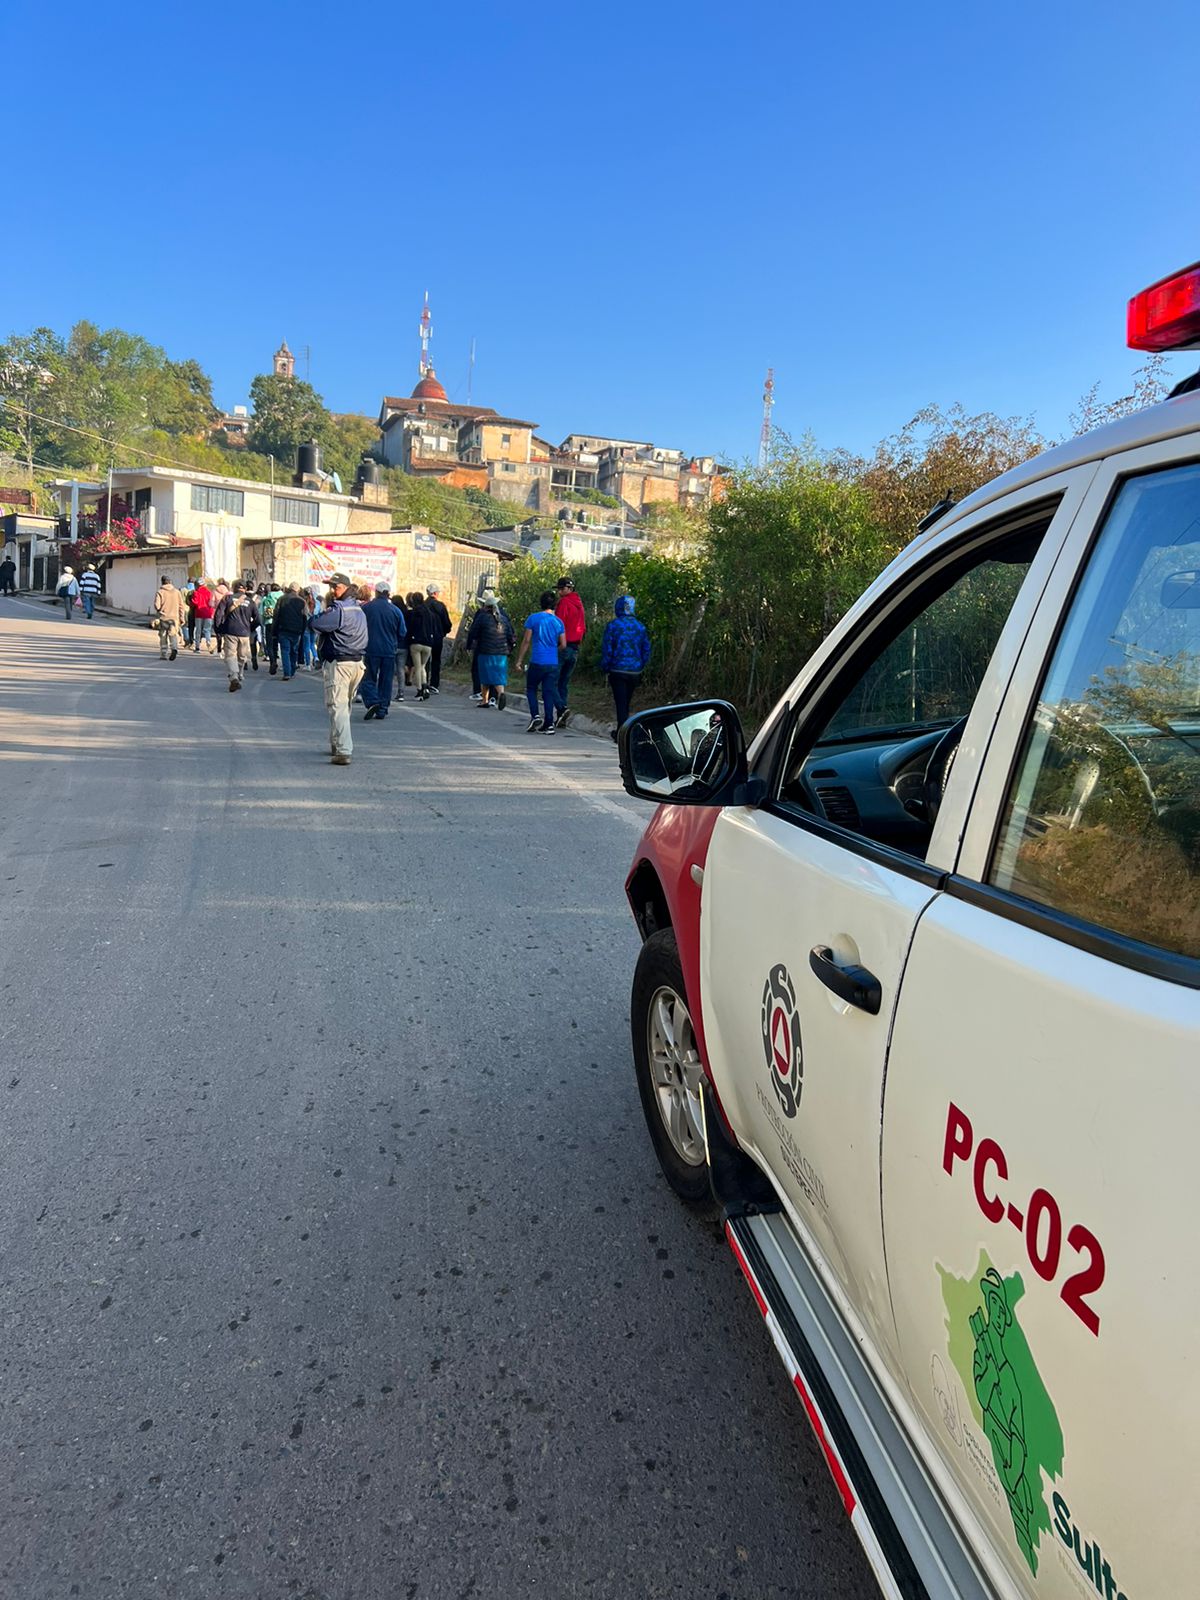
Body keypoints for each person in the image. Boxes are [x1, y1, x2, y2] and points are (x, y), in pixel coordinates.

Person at [311, 573, 368, 764]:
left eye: (336, 587)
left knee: (338, 706)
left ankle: (343, 750)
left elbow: (316, 623)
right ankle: (336, 742)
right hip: (357, 662)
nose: (332, 591)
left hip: (340, 662)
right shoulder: (358, 608)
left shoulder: (339, 609)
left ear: (345, 587)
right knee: (345, 705)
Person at [600, 594, 651, 739]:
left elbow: (607, 649)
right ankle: (624, 731)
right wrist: (641, 664)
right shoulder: (640, 627)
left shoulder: (613, 626)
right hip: (635, 671)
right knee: (627, 702)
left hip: (617, 670)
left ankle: (622, 735)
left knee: (621, 703)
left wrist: (605, 666)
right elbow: (646, 648)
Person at [514, 589, 566, 734]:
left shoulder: (533, 619)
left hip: (537, 660)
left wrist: (519, 661)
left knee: (531, 688)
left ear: (541, 603)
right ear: (555, 604)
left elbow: (526, 641)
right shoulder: (558, 622)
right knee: (548, 692)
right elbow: (563, 644)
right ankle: (549, 724)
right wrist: (553, 651)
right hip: (552, 662)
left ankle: (535, 715)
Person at [360, 582, 407, 720]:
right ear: (388, 594)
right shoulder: (396, 611)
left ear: (376, 592)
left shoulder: (366, 608)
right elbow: (402, 632)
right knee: (386, 681)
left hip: (371, 649)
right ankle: (382, 709)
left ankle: (372, 701)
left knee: (367, 679)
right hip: (389, 650)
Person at [466, 589, 514, 709]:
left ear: (485, 605)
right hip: (502, 652)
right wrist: (510, 648)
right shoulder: (503, 618)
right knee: (498, 674)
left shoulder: (482, 617)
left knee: (485, 675)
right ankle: (491, 698)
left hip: (486, 650)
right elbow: (510, 634)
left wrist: (469, 645)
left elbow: (473, 632)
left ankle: (491, 697)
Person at [213, 581, 259, 691]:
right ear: (245, 589)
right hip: (244, 633)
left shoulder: (227, 599)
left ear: (233, 588)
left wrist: (218, 628)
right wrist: (250, 628)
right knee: (242, 656)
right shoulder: (250, 602)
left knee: (230, 655)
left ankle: (234, 676)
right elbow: (258, 619)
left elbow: (218, 614)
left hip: (230, 631)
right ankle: (240, 674)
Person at [554, 575, 586, 728]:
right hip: (575, 648)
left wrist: (556, 644)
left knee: (552, 681)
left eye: (561, 588)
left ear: (568, 588)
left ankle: (561, 709)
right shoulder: (579, 604)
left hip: (563, 646)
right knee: (564, 683)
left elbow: (558, 625)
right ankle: (562, 717)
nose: (559, 591)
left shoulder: (564, 603)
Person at [405, 590, 435, 699]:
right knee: (423, 666)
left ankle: (419, 690)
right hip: (428, 643)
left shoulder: (413, 613)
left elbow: (409, 628)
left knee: (417, 667)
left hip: (416, 642)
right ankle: (425, 686)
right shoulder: (430, 614)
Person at [273, 583, 307, 679]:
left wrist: (274, 630)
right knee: (294, 651)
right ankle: (291, 670)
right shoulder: (302, 601)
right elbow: (305, 617)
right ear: (298, 590)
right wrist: (303, 630)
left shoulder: (282, 599)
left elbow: (276, 615)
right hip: (297, 630)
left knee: (285, 650)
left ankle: (287, 672)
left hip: (284, 629)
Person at [425, 582, 452, 693]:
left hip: (425, 637)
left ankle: (424, 683)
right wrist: (444, 632)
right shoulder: (441, 606)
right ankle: (434, 684)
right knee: (436, 660)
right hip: (437, 637)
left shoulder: (423, 605)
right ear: (436, 593)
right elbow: (447, 622)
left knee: (425, 661)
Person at [152, 575, 187, 659]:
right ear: (170, 582)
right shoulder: (177, 592)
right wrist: (182, 618)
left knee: (163, 635)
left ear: (162, 582)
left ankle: (163, 654)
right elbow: (181, 606)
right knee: (173, 635)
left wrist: (159, 610)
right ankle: (174, 648)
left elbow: (157, 605)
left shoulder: (160, 592)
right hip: (174, 618)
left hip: (164, 618)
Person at [260, 582, 283, 674]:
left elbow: (261, 613)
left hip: (269, 623)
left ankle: (272, 661)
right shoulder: (283, 598)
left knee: (270, 644)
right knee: (281, 643)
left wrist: (263, 623)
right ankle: (283, 662)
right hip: (281, 623)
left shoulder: (266, 599)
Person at [191, 579, 215, 652]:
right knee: (207, 630)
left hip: (199, 613)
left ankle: (197, 647)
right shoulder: (209, 593)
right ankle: (208, 644)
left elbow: (194, 603)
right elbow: (211, 603)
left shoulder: (196, 593)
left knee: (198, 630)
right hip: (208, 614)